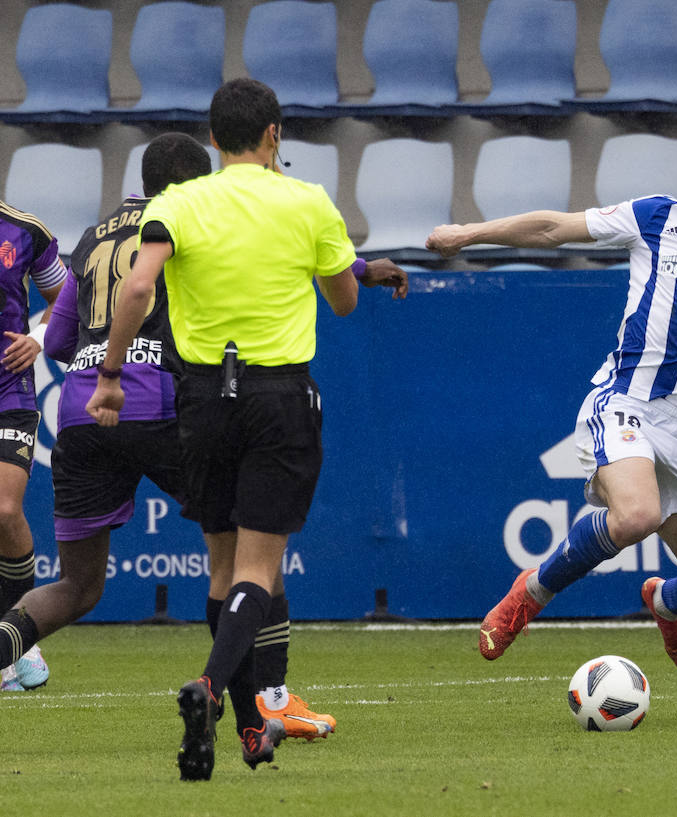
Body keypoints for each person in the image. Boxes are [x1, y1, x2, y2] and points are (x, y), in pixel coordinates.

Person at [0, 133, 406, 735]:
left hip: (84, 413)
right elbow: (267, 246)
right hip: (163, 402)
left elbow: (57, 341)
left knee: (80, 586)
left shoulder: (92, 237)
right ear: (194, 180)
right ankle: (268, 698)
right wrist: (362, 268)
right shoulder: (191, 213)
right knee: (255, 549)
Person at [85, 78, 381, 780]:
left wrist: (110, 375)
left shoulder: (179, 201)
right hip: (278, 394)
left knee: (221, 569)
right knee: (258, 569)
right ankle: (212, 688)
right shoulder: (307, 201)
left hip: (203, 398)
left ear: (213, 139)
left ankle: (249, 726)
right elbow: (343, 300)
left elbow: (136, 288)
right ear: (274, 134)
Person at [426, 130, 677, 675]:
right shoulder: (657, 217)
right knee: (637, 515)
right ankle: (530, 593)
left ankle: (667, 603)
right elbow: (557, 226)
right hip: (626, 401)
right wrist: (469, 233)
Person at [0, 196, 67, 692]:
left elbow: (66, 296)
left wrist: (40, 337)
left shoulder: (25, 230)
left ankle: (20, 633)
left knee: (4, 510)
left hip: (9, 389)